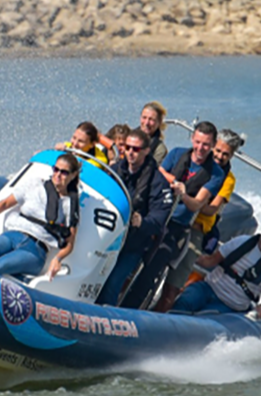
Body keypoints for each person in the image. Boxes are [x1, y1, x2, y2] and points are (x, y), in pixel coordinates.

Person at [120, 120, 225, 310]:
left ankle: (130, 309)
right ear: (192, 138)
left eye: (206, 144)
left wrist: (183, 193)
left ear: (213, 145)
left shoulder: (216, 174)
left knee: (152, 267)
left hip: (176, 225)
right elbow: (157, 172)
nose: (201, 148)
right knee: (128, 256)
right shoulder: (176, 154)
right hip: (153, 214)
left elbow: (196, 204)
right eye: (198, 142)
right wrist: (174, 181)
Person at [154, 128, 242, 309]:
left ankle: (163, 311)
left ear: (232, 156)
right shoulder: (189, 159)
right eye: (217, 150)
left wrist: (196, 199)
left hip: (196, 227)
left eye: (226, 154)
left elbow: (211, 209)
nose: (219, 156)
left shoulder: (226, 178)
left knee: (175, 279)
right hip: (172, 218)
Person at [0, 154, 81, 279]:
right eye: (56, 169)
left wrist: (58, 258)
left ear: (73, 175)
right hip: (14, 235)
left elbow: (70, 243)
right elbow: (5, 203)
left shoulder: (70, 204)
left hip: (36, 249)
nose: (58, 175)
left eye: (64, 172)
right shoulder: (35, 184)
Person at [95, 128, 174, 306]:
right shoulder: (114, 170)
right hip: (106, 235)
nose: (130, 152)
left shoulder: (157, 181)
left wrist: (142, 222)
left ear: (146, 151)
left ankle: (105, 316)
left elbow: (159, 218)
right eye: (128, 148)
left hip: (133, 243)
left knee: (112, 283)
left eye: (136, 149)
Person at [171, 218, 261, 318]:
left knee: (204, 316)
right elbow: (210, 261)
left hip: (231, 305)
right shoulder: (241, 242)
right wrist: (187, 255)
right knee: (185, 301)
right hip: (209, 287)